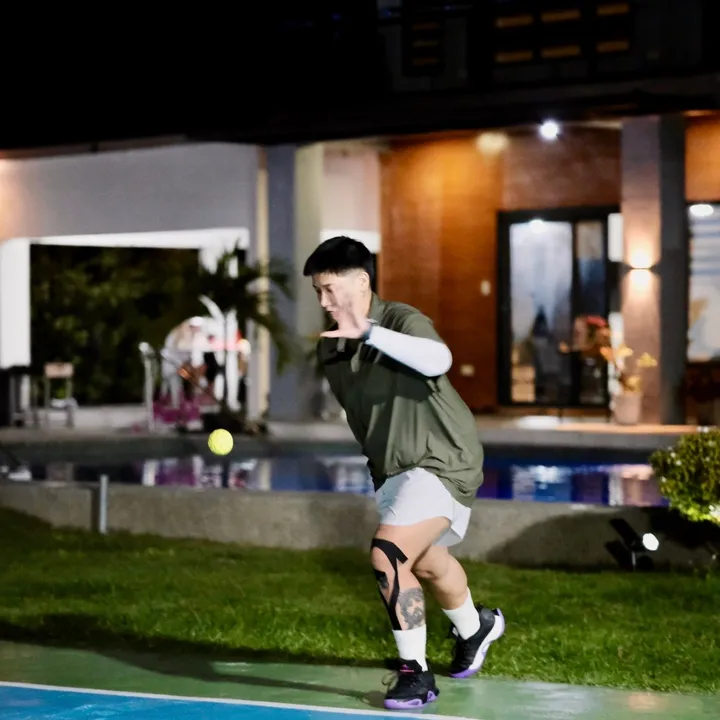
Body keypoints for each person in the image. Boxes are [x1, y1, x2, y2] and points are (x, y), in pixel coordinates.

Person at [303, 236, 505, 711]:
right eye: (317, 292)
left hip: (441, 458)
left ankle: (416, 674)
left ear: (362, 281)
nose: (324, 301)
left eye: (330, 288)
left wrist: (370, 333)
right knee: (428, 562)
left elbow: (439, 360)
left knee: (389, 555)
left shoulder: (399, 320)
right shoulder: (332, 350)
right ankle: (476, 628)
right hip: (393, 470)